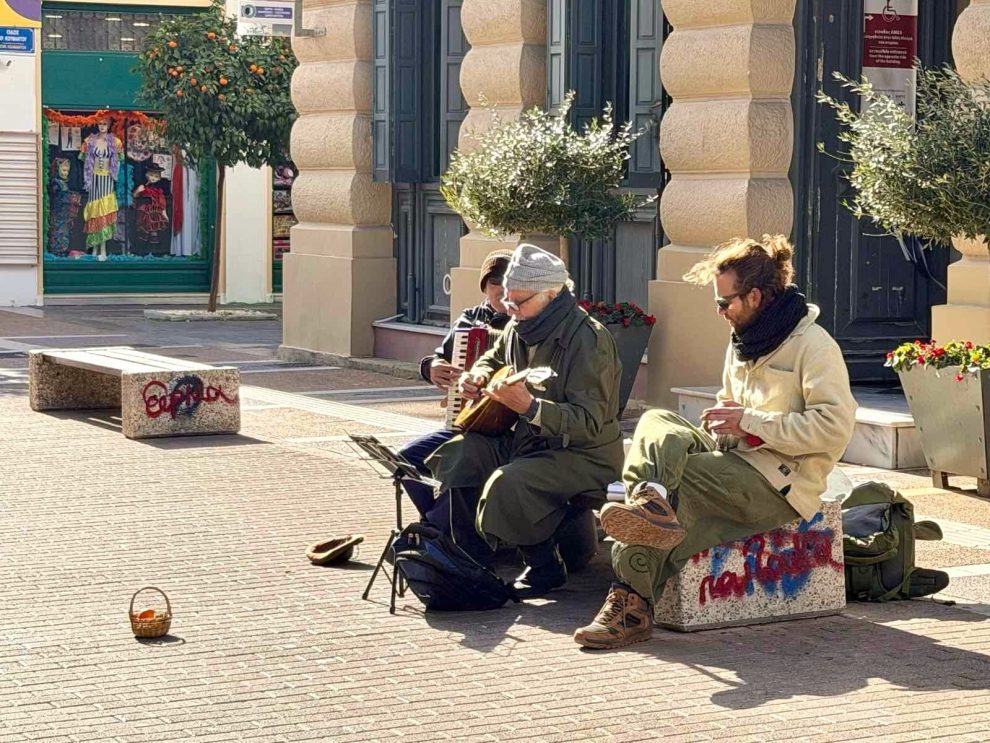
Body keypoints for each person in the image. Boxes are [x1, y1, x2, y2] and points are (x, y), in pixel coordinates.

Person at [574, 234, 857, 649]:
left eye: (725, 302)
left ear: (755, 296)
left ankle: (631, 604)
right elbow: (731, 406)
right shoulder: (743, 340)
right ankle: (650, 500)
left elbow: (834, 428)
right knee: (656, 421)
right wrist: (726, 423)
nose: (719, 311)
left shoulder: (814, 346)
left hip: (780, 481)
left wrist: (749, 422)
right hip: (733, 457)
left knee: (682, 482)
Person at [426, 244, 624, 597]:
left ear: (551, 294)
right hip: (529, 441)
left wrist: (531, 408)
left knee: (510, 482)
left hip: (583, 454)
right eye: (507, 299)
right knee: (460, 453)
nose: (509, 308)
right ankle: (468, 556)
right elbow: (492, 357)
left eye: (518, 301)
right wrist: (476, 376)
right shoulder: (520, 326)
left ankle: (545, 565)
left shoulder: (588, 340)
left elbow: (589, 421)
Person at [397, 249, 514, 526]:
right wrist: (431, 367)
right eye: (495, 283)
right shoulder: (469, 319)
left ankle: (439, 529)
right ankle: (434, 522)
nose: (502, 290)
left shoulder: (523, 323)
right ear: (484, 287)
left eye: (508, 282)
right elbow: (440, 357)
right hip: (463, 421)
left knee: (458, 468)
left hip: (506, 429)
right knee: (405, 458)